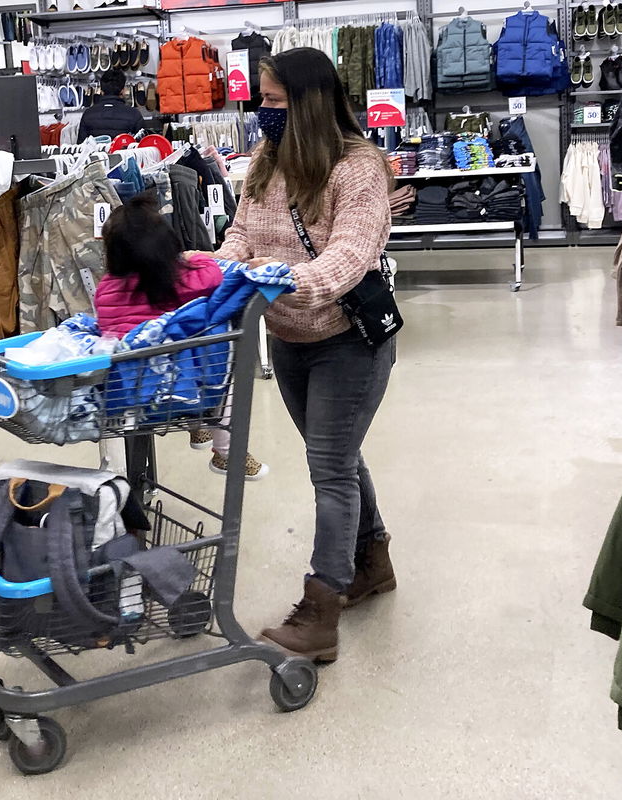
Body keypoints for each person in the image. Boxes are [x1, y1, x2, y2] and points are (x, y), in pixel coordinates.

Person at [213, 47, 396, 662]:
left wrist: (289, 279)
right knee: (339, 456)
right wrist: (220, 265)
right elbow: (242, 229)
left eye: (272, 102)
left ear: (309, 103)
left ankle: (322, 608)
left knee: (329, 466)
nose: (260, 113)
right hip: (287, 338)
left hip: (348, 339)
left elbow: (350, 255)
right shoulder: (267, 159)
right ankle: (373, 560)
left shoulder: (360, 168)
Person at [96, 194, 268, 479]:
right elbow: (212, 275)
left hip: (126, 390)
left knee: (176, 345)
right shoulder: (173, 282)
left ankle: (197, 429)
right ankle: (225, 451)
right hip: (173, 388)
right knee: (214, 352)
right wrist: (192, 257)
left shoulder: (104, 289)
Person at [77, 69, 144, 142]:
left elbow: (81, 145)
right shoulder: (134, 114)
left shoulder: (88, 114)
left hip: (95, 152)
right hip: (123, 152)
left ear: (101, 91)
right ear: (123, 91)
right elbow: (142, 147)